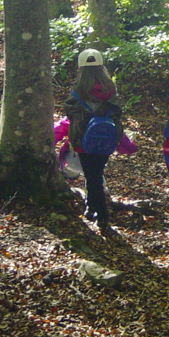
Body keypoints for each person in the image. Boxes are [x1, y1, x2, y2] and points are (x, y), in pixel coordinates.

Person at [65, 49, 123, 233]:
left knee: (93, 176)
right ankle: (91, 208)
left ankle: (103, 216)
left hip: (84, 140)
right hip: (107, 140)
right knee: (96, 173)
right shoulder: (110, 89)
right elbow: (118, 112)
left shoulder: (78, 91)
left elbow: (70, 112)